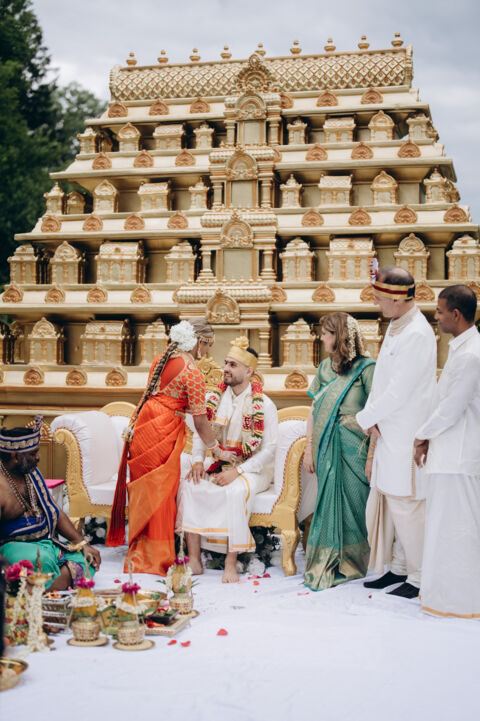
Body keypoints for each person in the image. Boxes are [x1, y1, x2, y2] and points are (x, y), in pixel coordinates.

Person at [107, 318, 235, 575]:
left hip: (144, 424)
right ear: (200, 341)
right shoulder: (192, 372)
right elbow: (200, 421)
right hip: (162, 429)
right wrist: (216, 449)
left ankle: (141, 552)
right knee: (161, 492)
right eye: (208, 346)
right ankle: (155, 559)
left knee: (149, 489)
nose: (207, 352)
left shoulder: (161, 359)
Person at [356, 266, 437, 599]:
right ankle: (400, 568)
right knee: (393, 504)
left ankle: (419, 577)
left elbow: (399, 390)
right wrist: (372, 418)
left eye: (379, 297)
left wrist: (365, 417)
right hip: (389, 430)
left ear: (398, 298)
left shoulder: (417, 333)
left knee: (408, 505)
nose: (376, 303)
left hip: (407, 435)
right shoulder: (396, 324)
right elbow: (382, 382)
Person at [178, 336, 278, 583]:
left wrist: (238, 472)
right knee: (191, 484)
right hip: (220, 463)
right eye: (226, 363)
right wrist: (198, 461)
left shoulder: (264, 405)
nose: (226, 369)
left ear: (249, 371)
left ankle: (231, 563)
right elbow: (202, 433)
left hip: (254, 469)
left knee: (235, 491)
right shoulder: (214, 400)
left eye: (233, 365)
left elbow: (269, 450)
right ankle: (195, 559)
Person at [414, 285, 480, 618]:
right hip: (448, 452)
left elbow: (451, 408)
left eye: (440, 311)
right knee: (443, 528)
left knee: (459, 530)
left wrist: (420, 435)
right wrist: (427, 438)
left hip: (459, 455)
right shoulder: (461, 348)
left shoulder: (471, 354)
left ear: (456, 314)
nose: (436, 317)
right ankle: (442, 597)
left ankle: (462, 602)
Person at [302, 313, 375, 591]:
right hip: (326, 444)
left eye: (326, 333)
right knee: (327, 502)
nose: (321, 338)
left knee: (355, 505)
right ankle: (326, 560)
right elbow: (314, 411)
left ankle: (353, 562)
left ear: (340, 336)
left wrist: (372, 456)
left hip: (356, 447)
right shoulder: (324, 368)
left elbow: (377, 414)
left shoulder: (367, 368)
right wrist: (308, 448)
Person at [0, 418, 100, 590]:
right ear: (16, 456)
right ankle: (36, 584)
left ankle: (33, 586)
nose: (38, 457)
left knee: (88, 559)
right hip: (15, 547)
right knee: (42, 560)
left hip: (45, 543)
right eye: (33, 454)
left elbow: (55, 511)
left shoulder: (31, 474)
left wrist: (83, 543)